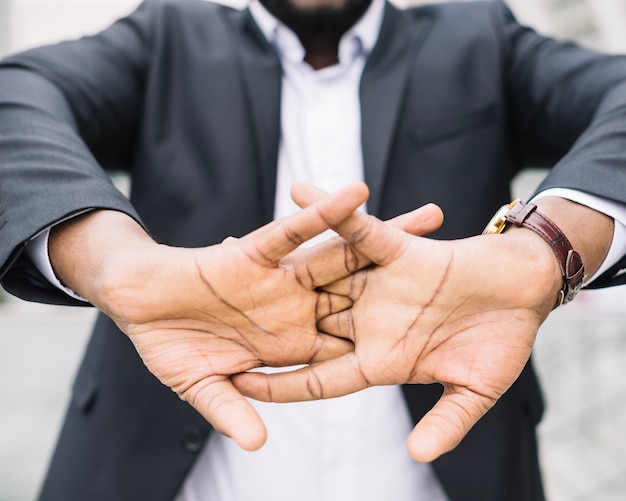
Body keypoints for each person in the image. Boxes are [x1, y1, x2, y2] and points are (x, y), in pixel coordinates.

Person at [1, 0, 626, 500]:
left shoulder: (479, 36)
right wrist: (115, 265)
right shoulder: (168, 34)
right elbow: (16, 101)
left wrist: (544, 250)